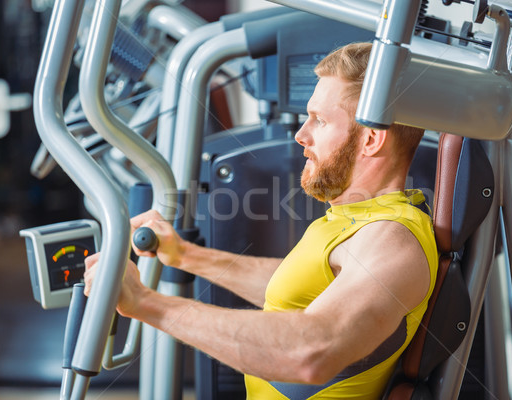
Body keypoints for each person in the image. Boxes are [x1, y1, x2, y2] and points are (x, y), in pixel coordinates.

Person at [84, 42, 438, 399]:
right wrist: (186, 256)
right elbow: (297, 288)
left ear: (372, 140)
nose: (302, 134)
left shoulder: (392, 239)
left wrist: (145, 303)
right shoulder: (358, 217)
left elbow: (315, 351)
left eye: (320, 119)